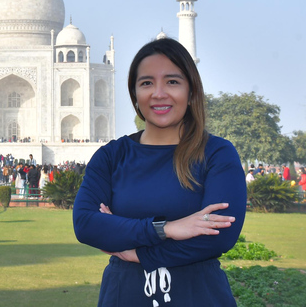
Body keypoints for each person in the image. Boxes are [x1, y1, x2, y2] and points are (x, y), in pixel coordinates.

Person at [73, 38, 246, 306]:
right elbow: (86, 225)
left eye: (172, 82)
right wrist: (168, 229)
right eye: (147, 83)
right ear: (134, 94)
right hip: (124, 296)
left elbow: (218, 236)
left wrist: (137, 251)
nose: (159, 93)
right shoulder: (112, 156)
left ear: (191, 92)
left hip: (197, 296)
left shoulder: (215, 153)